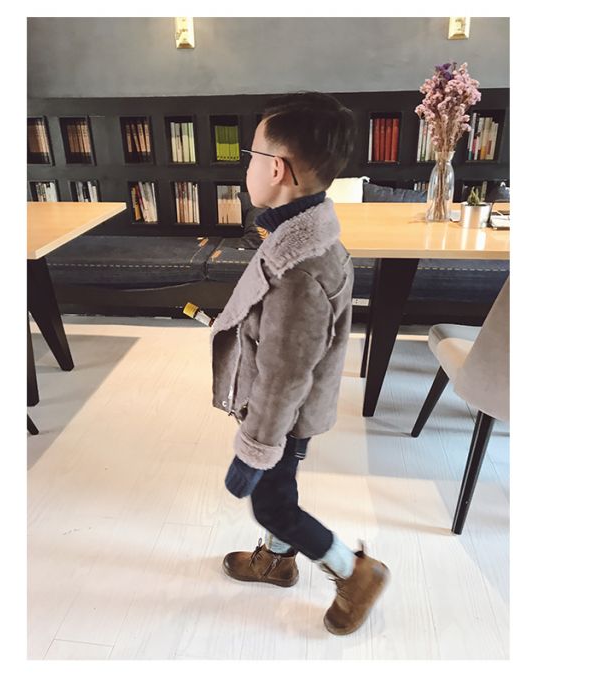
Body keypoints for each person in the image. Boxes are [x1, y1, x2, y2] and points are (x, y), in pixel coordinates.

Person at [210, 91, 390, 636]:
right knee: (281, 488)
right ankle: (278, 560)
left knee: (273, 506)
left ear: (277, 169)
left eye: (252, 154)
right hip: (288, 413)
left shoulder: (298, 270)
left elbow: (284, 376)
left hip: (281, 420)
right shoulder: (303, 232)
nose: (247, 166)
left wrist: (255, 448)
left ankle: (353, 572)